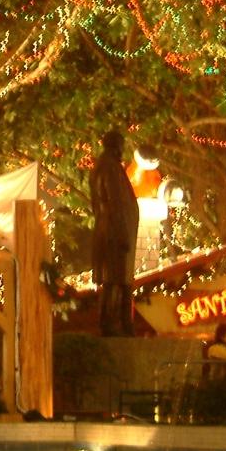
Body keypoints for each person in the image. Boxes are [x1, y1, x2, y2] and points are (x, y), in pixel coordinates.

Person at [90, 129, 139, 337]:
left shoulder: (106, 166)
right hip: (115, 230)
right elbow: (115, 201)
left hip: (113, 228)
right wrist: (122, 232)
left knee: (117, 280)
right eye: (121, 145)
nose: (123, 149)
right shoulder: (109, 167)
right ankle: (113, 323)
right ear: (115, 145)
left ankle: (119, 323)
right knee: (115, 280)